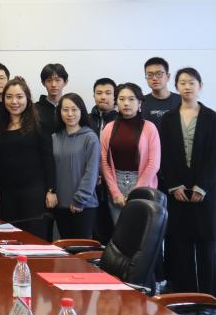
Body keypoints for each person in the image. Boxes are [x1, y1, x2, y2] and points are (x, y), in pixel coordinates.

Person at [160, 68, 216, 300]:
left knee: (206, 248)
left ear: (200, 86)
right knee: (180, 246)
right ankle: (185, 297)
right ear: (176, 86)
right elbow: (165, 156)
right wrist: (174, 185)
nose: (187, 86)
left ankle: (208, 299)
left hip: (205, 192)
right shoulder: (168, 118)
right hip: (177, 192)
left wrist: (201, 187)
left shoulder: (211, 117)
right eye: (182, 82)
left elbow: (214, 156)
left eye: (191, 82)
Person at [0, 77, 56, 239]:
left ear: (27, 98)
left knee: (34, 237)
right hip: (6, 193)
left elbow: (48, 159)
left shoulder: (39, 124)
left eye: (19, 97)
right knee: (9, 238)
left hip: (34, 192)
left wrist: (51, 190)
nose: (14, 102)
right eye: (9, 97)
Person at [100, 82, 160, 224]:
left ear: (139, 102)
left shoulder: (149, 128)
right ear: (116, 102)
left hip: (143, 183)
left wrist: (137, 191)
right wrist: (115, 192)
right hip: (116, 183)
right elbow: (104, 162)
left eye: (131, 99)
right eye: (121, 99)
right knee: (120, 231)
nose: (126, 103)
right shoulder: (108, 128)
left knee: (142, 231)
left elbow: (154, 163)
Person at [52, 93, 100, 239]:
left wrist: (80, 199)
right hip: (60, 204)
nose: (70, 114)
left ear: (81, 111)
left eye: (74, 109)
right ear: (59, 112)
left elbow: (91, 172)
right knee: (65, 247)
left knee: (82, 249)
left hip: (83, 205)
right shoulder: (54, 138)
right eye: (65, 110)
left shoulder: (90, 137)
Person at [89, 77, 119, 244]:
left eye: (108, 93)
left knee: (117, 227)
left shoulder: (121, 119)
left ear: (115, 96)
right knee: (96, 229)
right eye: (99, 93)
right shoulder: (86, 119)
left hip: (116, 181)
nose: (103, 97)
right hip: (92, 182)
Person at [143, 57, 181, 131]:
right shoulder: (140, 102)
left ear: (168, 76)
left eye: (159, 74)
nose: (154, 78)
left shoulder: (181, 101)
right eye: (150, 75)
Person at [35, 64, 67, 137]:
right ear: (43, 83)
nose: (53, 84)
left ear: (65, 82)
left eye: (57, 80)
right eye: (49, 80)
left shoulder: (72, 107)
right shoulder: (35, 109)